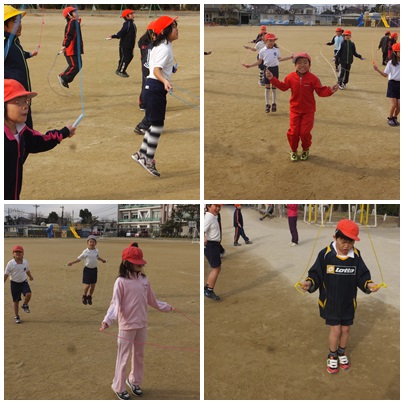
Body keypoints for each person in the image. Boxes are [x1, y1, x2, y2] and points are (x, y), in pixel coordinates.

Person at [299, 219, 380, 374]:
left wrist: (369, 285)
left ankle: (342, 352)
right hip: (331, 301)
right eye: (343, 241)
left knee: (346, 329)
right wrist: (309, 283)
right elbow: (316, 274)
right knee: (336, 330)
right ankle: (332, 355)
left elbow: (362, 275)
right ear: (335, 237)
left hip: (348, 301)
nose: (346, 246)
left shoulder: (356, 256)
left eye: (350, 242)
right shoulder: (326, 254)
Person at [100, 244, 173, 400]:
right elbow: (115, 304)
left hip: (142, 324)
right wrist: (108, 320)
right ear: (126, 263)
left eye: (141, 263)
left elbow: (152, 300)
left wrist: (167, 307)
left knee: (139, 355)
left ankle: (134, 381)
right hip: (127, 326)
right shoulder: (121, 281)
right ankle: (118, 386)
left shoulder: (144, 280)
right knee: (123, 357)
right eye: (137, 263)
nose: (140, 265)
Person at [4, 79, 76, 200]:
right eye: (18, 102)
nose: (25, 106)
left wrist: (64, 132)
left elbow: (40, 141)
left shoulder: (22, 131)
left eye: (26, 101)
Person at [266, 52, 338, 161]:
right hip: (294, 110)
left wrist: (330, 90)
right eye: (299, 63)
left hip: (308, 111)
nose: (302, 65)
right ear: (295, 65)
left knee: (304, 133)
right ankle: (293, 150)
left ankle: (305, 149)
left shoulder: (313, 78)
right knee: (293, 132)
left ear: (309, 65)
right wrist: (272, 79)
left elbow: (320, 91)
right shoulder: (290, 77)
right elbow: (283, 86)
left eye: (305, 62)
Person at [131, 16, 179, 177]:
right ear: (165, 31)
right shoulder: (164, 48)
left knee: (154, 124)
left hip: (151, 88)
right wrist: (165, 81)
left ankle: (141, 154)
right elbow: (156, 70)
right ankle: (148, 159)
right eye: (173, 27)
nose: (177, 29)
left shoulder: (160, 45)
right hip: (155, 88)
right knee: (157, 126)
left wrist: (169, 72)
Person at [4, 5, 38, 129]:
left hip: (22, 97)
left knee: (26, 132)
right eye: (15, 21)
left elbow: (16, 55)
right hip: (12, 100)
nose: (19, 25)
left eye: (20, 21)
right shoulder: (4, 42)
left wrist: (28, 54)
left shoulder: (14, 41)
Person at [243, 33, 293, 113]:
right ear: (265, 41)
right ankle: (267, 104)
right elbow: (259, 62)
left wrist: (290, 57)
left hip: (275, 69)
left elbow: (280, 59)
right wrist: (250, 65)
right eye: (270, 41)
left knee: (274, 87)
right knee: (267, 87)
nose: (272, 42)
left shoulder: (276, 50)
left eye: (273, 41)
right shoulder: (262, 51)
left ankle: (274, 103)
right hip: (267, 69)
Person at [67, 235, 107, 305]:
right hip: (87, 270)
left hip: (94, 270)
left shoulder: (96, 251)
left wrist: (102, 260)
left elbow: (97, 257)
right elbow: (79, 259)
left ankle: (89, 296)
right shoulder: (85, 251)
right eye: (90, 242)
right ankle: (84, 296)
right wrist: (72, 263)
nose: (92, 243)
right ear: (87, 243)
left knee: (93, 285)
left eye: (93, 242)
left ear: (96, 243)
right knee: (87, 285)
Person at [134, 21, 157, 133]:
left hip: (152, 65)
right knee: (146, 84)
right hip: (146, 65)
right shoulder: (144, 40)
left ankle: (149, 104)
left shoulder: (156, 40)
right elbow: (145, 54)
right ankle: (143, 102)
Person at [4, 245, 34, 324]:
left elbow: (27, 270)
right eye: (16, 252)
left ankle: (25, 304)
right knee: (16, 301)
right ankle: (16, 316)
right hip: (14, 284)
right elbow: (6, 274)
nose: (18, 253)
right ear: (13, 254)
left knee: (28, 294)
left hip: (24, 282)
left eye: (20, 252)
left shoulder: (25, 262)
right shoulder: (10, 263)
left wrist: (30, 276)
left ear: (23, 253)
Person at [373, 42, 400, 127]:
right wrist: (377, 69)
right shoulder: (391, 63)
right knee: (394, 105)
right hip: (392, 84)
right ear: (395, 52)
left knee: (399, 106)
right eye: (400, 51)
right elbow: (385, 75)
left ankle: (395, 118)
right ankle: (390, 118)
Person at [58, 6, 84, 89]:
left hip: (75, 49)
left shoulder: (75, 22)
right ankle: (63, 76)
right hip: (71, 49)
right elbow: (68, 35)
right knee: (74, 65)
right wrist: (65, 45)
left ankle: (65, 79)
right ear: (69, 15)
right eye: (74, 12)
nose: (77, 13)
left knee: (78, 65)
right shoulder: (72, 22)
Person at [107, 9, 137, 78]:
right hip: (125, 45)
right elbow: (121, 32)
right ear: (127, 16)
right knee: (125, 58)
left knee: (129, 56)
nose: (133, 15)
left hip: (130, 45)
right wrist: (113, 36)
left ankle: (122, 69)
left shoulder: (132, 24)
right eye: (131, 14)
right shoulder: (127, 24)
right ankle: (120, 70)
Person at [204, 204, 223, 301]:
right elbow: (203, 229)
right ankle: (209, 290)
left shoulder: (212, 216)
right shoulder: (209, 217)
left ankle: (207, 287)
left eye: (219, 206)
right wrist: (204, 237)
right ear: (208, 206)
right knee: (216, 268)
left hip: (214, 245)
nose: (218, 208)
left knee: (216, 268)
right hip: (211, 245)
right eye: (216, 206)